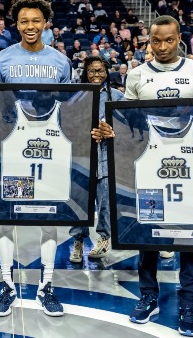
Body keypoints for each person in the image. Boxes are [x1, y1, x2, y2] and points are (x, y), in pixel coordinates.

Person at [110, 15, 193, 337]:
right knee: (147, 233)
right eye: (155, 41)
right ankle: (149, 296)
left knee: (190, 236)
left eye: (168, 40)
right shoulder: (136, 75)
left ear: (179, 39)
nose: (161, 47)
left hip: (188, 165)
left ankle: (187, 301)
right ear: (149, 42)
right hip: (151, 165)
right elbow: (130, 126)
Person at [0, 0, 72, 318]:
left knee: (49, 216)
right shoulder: (3, 60)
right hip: (14, 150)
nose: (30, 26)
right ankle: (8, 285)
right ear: (16, 24)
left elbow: (70, 107)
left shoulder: (60, 62)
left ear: (46, 23)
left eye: (36, 20)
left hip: (49, 149)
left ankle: (46, 286)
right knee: (7, 215)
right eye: (24, 21)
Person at [68, 56, 123, 263]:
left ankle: (103, 239)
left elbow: (128, 128)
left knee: (105, 202)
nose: (96, 75)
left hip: (105, 158)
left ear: (107, 72)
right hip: (80, 158)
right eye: (92, 71)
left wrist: (111, 130)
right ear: (85, 72)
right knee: (79, 202)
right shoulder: (75, 97)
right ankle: (78, 241)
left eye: (100, 71)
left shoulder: (116, 97)